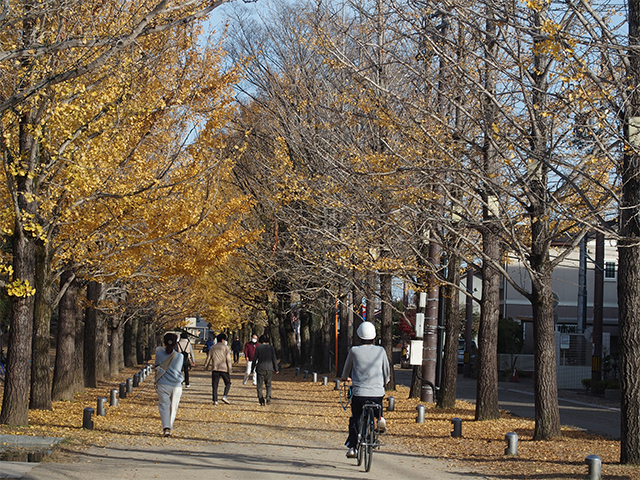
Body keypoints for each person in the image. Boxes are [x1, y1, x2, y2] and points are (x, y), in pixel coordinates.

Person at [340, 321, 390, 458]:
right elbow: (386, 370)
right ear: (374, 336)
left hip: (359, 392)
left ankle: (352, 448)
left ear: (359, 336)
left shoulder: (354, 351)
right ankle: (379, 417)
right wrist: (386, 380)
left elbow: (346, 369)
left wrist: (345, 378)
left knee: (356, 417)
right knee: (377, 405)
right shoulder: (381, 350)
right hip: (377, 392)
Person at [154, 332, 184, 437]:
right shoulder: (180, 356)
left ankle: (166, 427)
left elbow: (157, 366)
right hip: (176, 385)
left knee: (164, 406)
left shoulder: (158, 355)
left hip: (163, 384)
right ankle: (169, 426)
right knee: (173, 407)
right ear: (176, 343)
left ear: (164, 342)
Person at [204, 332, 233, 404]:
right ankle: (224, 396)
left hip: (215, 368)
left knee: (215, 385)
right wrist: (230, 369)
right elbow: (228, 359)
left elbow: (208, 357)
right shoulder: (226, 348)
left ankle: (215, 400)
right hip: (224, 368)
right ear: (223, 340)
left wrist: (206, 366)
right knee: (228, 383)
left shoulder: (213, 347)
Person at [250, 335, 279, 406]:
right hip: (269, 368)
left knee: (259, 385)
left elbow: (254, 359)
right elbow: (274, 359)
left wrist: (252, 368)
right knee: (268, 384)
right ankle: (268, 396)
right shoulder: (271, 348)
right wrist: (276, 369)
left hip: (260, 368)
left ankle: (261, 399)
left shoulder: (258, 348)